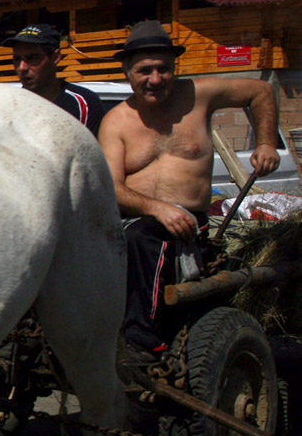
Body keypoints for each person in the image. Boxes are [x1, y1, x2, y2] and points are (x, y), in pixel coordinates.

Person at [97, 20, 280, 365]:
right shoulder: (117, 122)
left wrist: (267, 142)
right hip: (136, 221)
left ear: (174, 68)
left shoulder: (198, 95)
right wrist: (157, 208)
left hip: (187, 223)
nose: (155, 79)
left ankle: (143, 342)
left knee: (144, 237)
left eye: (163, 69)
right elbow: (112, 189)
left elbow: (261, 92)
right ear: (128, 73)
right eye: (144, 70)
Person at [2, 22, 106, 136]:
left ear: (56, 57)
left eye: (32, 57)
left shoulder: (84, 103)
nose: (22, 67)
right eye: (17, 59)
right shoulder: (7, 107)